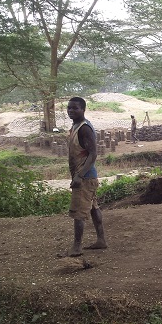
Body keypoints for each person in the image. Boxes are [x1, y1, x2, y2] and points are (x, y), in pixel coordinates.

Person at [62, 96, 108, 257]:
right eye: (69, 108)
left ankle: (77, 247)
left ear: (83, 109)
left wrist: (79, 176)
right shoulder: (76, 126)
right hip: (87, 176)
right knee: (93, 207)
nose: (71, 111)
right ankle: (101, 240)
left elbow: (93, 154)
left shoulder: (84, 128)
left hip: (85, 177)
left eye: (75, 108)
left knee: (79, 212)